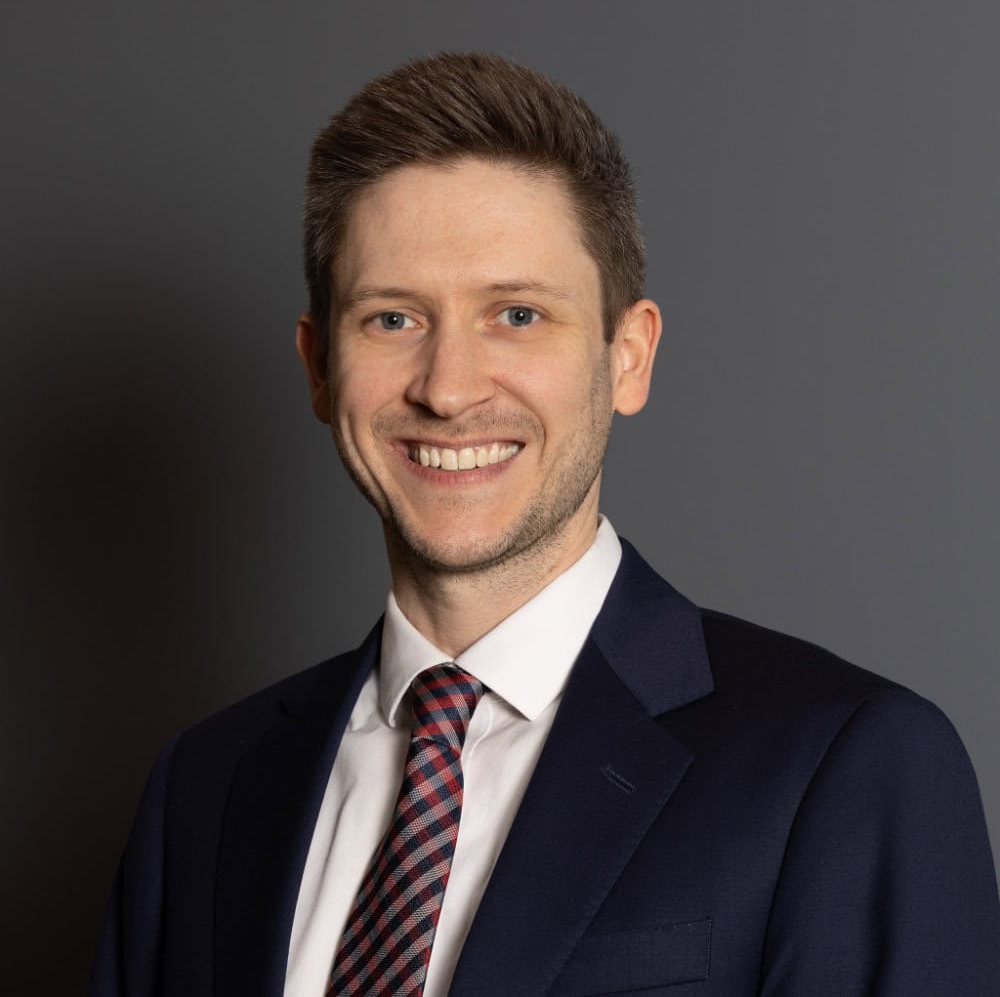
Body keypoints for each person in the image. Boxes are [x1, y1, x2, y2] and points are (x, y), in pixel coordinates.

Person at [90, 52, 1000, 997]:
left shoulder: (843, 768)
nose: (448, 388)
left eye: (517, 314)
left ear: (629, 356)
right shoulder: (205, 791)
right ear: (319, 368)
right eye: (393, 319)